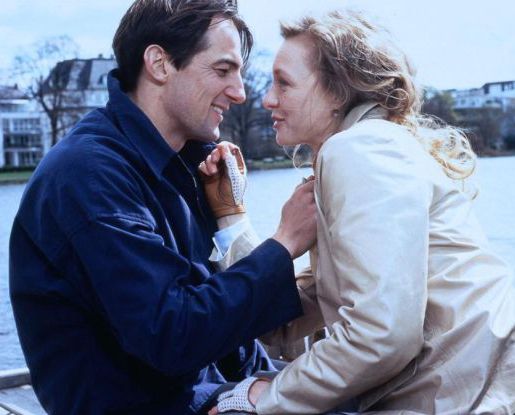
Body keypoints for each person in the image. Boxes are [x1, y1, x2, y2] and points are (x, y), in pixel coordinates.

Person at [8, 1, 318, 414]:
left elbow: (219, 329)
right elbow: (171, 334)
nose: (241, 93)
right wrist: (285, 243)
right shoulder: (89, 174)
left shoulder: (182, 164)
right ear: (159, 63)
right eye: (223, 70)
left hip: (202, 393)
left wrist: (263, 381)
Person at [204, 9, 515, 415]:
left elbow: (382, 335)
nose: (266, 99)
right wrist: (230, 214)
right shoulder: (366, 150)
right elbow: (286, 320)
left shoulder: (359, 150)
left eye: (284, 83)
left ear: (337, 93)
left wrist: (267, 399)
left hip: (474, 397)